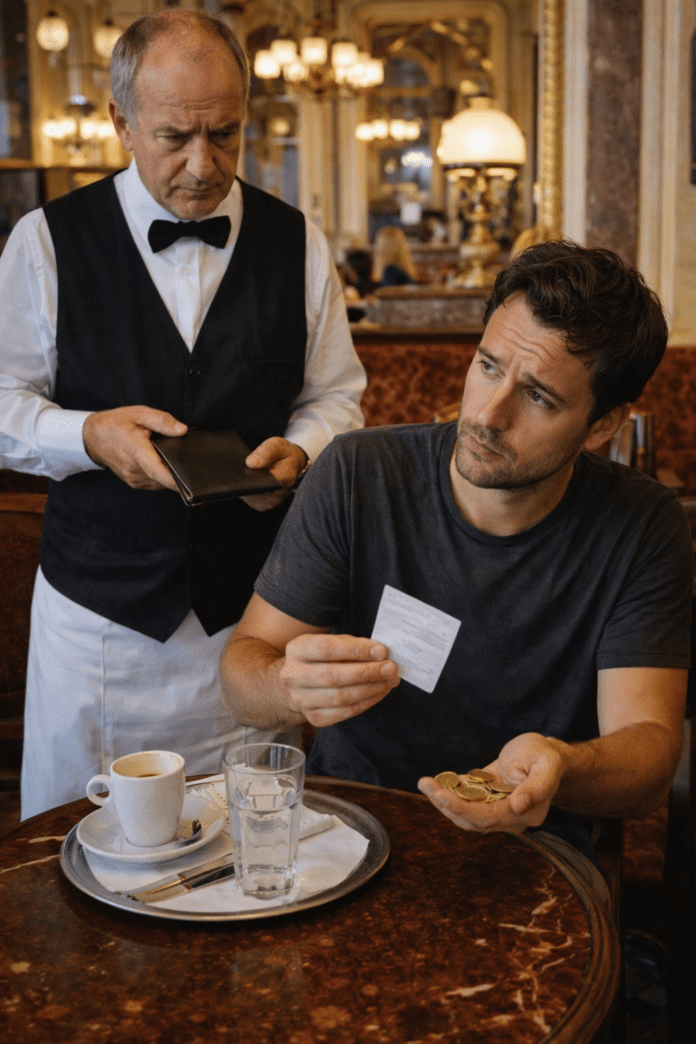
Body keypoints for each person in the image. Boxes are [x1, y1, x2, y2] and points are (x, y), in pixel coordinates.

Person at [220, 241, 693, 896]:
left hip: (533, 854)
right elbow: (241, 671)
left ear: (601, 426)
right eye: (488, 366)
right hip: (347, 836)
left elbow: (647, 757)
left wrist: (559, 765)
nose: (488, 415)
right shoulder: (359, 473)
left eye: (538, 397)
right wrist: (285, 685)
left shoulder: (642, 525)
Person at [0, 9, 366, 819]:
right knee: (77, 854)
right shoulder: (46, 241)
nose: (204, 165)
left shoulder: (298, 241)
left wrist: (302, 451)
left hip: (247, 626)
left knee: (240, 851)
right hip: (99, 627)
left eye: (226, 134)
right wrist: (88, 434)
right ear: (120, 123)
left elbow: (336, 394)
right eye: (174, 137)